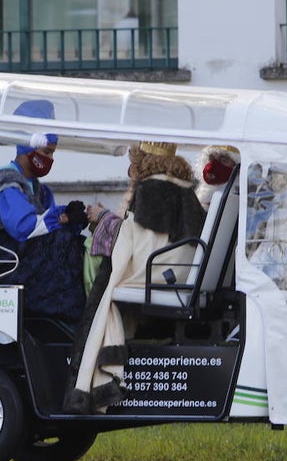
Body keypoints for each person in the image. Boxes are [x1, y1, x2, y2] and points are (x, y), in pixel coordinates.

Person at [63, 141, 207, 414]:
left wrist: (103, 221)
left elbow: (135, 247)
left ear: (141, 160)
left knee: (101, 288)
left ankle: (86, 389)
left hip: (156, 274)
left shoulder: (151, 189)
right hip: (178, 271)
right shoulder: (183, 188)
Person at [0, 99, 87, 322]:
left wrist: (71, 218)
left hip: (21, 267)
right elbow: (24, 227)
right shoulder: (6, 183)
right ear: (28, 146)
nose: (50, 159)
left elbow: (48, 226)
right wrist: (61, 218)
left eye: (52, 153)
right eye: (47, 152)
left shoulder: (37, 188)